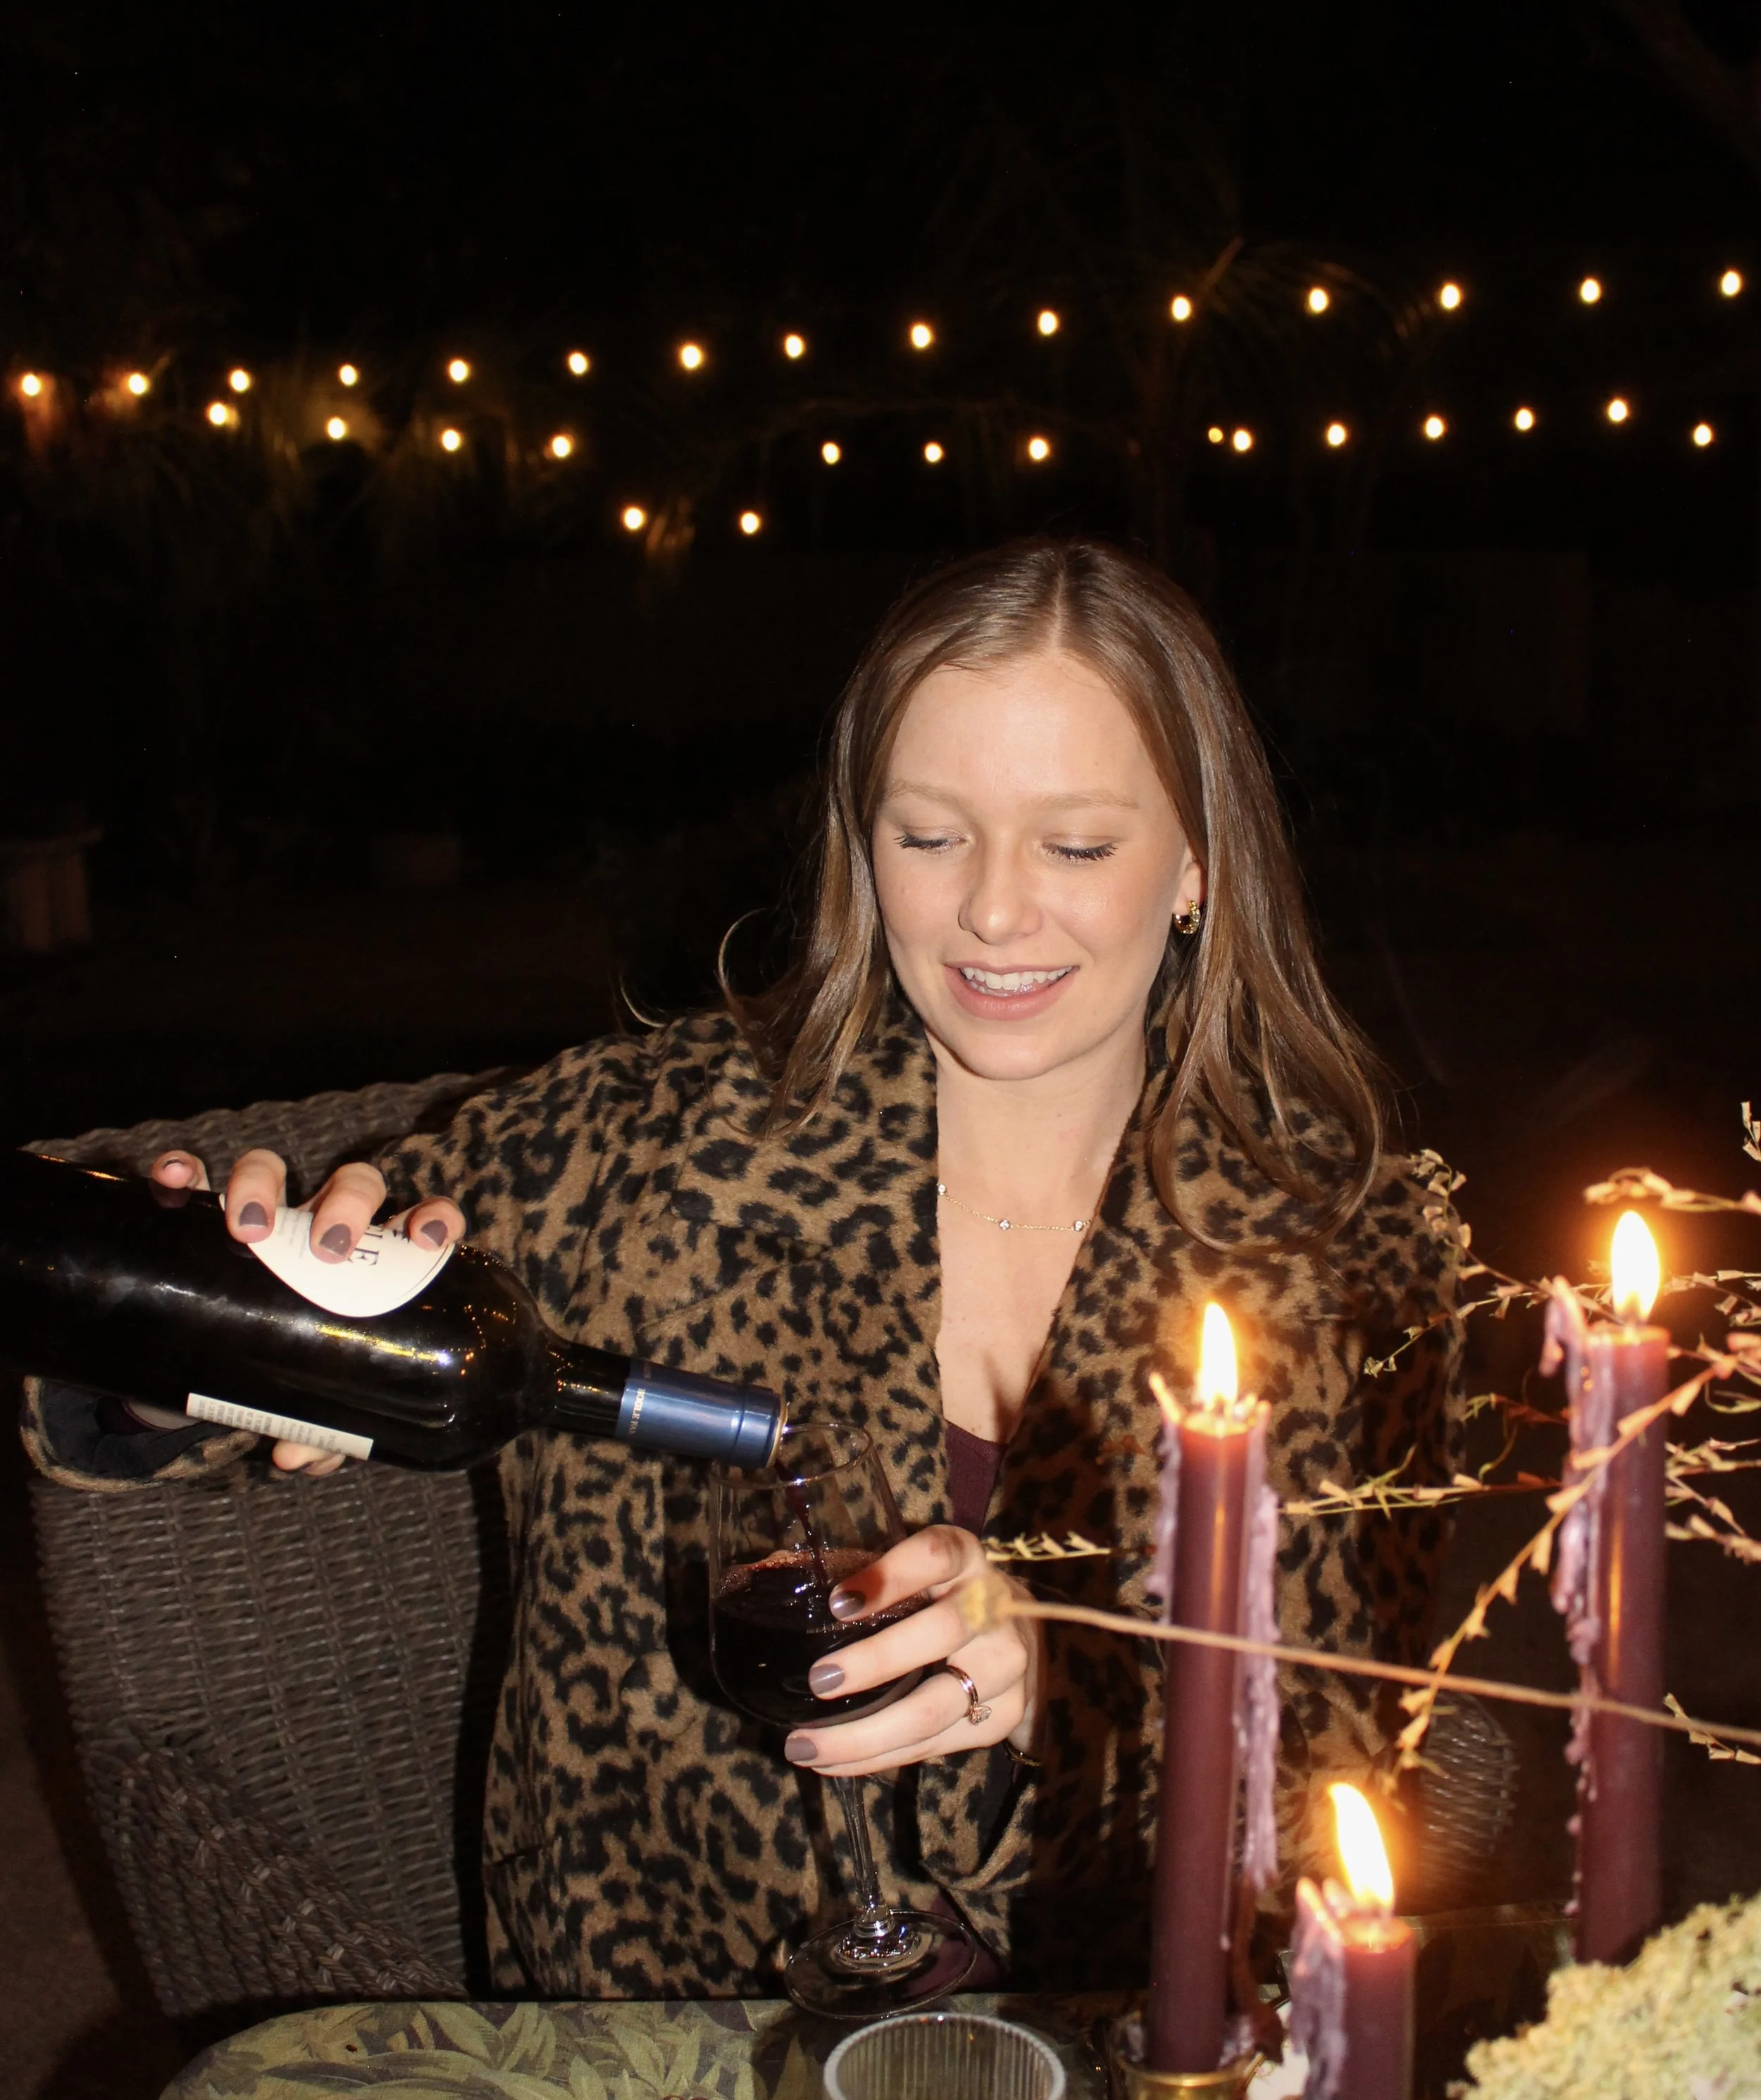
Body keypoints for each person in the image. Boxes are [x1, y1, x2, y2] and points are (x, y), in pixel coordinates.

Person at [25, 537, 1460, 1998]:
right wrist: (186, 1319)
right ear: (859, 842)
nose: (991, 909)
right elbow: (185, 1400)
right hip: (678, 2055)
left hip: (1125, 2068)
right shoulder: (631, 1156)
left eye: (1075, 845)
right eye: (927, 834)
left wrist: (1077, 1688)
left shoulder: (1348, 1259)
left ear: (1195, 868)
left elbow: (1348, 1765)